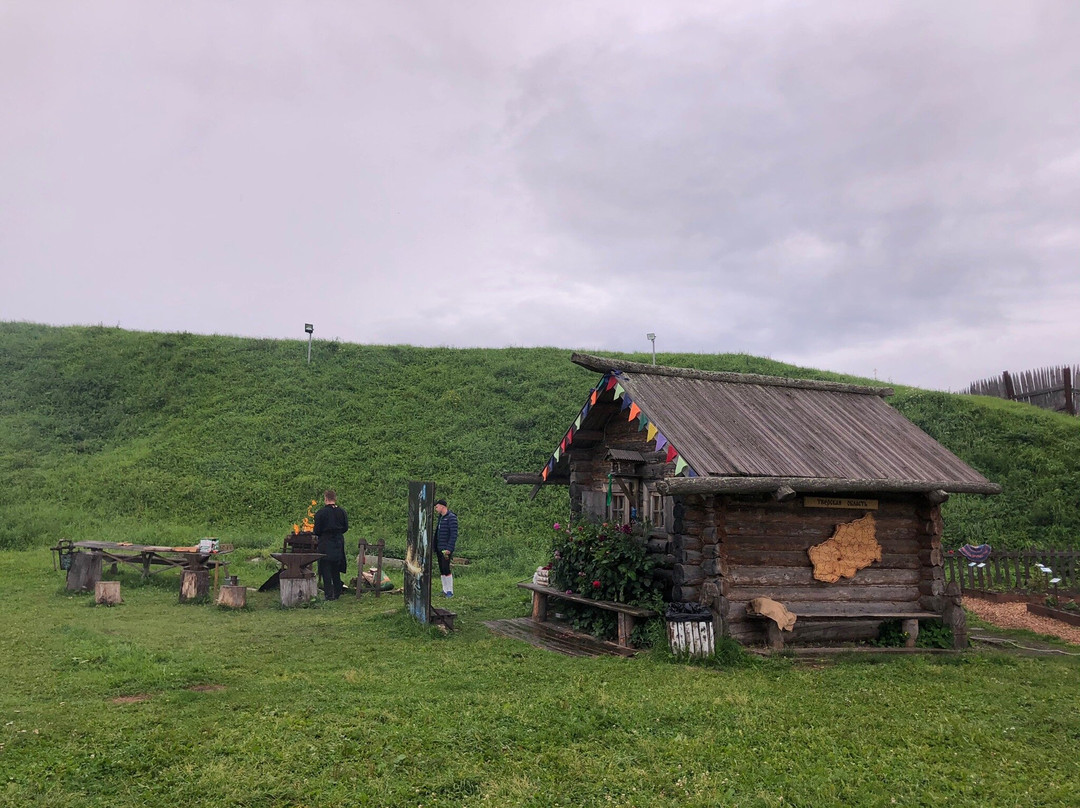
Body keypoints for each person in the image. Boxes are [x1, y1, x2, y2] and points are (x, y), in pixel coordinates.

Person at [313, 489, 348, 600]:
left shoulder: (320, 513)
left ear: (325, 499)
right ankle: (337, 592)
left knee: (325, 568)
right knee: (336, 568)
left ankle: (328, 594)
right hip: (338, 542)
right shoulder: (342, 512)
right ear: (335, 498)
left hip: (325, 542)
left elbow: (317, 530)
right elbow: (345, 528)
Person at [433, 498, 457, 598]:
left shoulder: (451, 518)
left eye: (437, 507)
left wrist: (449, 549)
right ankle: (444, 589)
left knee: (446, 568)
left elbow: (453, 534)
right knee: (442, 569)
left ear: (442, 506)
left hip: (446, 548)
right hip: (439, 547)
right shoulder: (441, 518)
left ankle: (450, 590)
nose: (436, 509)